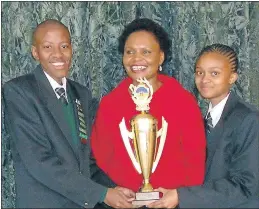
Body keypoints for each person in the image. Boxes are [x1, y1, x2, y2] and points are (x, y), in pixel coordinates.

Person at [3, 19, 135, 208]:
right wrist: (102, 193)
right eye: (48, 47)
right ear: (35, 52)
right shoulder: (20, 91)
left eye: (64, 46)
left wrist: (119, 190)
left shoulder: (81, 94)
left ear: (72, 49)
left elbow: (88, 160)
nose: (58, 54)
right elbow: (39, 161)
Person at [90, 18, 206, 206]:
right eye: (130, 52)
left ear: (161, 57)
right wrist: (112, 191)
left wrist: (180, 196)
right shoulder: (110, 104)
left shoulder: (183, 101)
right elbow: (100, 157)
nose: (137, 59)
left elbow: (195, 160)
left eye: (146, 52)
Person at [148, 44, 259, 208]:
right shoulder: (200, 119)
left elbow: (245, 186)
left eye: (214, 73)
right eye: (200, 72)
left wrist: (181, 196)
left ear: (232, 77)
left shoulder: (249, 119)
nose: (204, 79)